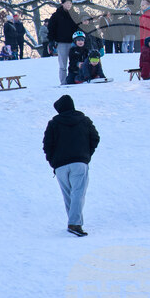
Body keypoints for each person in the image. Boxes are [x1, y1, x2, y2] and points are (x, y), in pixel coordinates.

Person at [42, 95, 100, 237]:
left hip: (60, 166)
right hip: (79, 163)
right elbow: (95, 138)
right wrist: (86, 155)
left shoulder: (53, 123)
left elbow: (47, 145)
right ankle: (74, 224)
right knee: (78, 194)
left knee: (68, 195)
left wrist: (53, 162)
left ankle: (73, 223)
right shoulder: (84, 120)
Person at [48, 0, 82, 84]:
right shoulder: (56, 15)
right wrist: (51, 41)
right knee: (63, 65)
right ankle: (63, 82)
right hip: (61, 43)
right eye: (67, 3)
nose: (68, 5)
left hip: (74, 43)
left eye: (70, 3)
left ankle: (75, 80)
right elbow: (51, 29)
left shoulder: (75, 15)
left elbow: (79, 27)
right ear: (62, 4)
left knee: (75, 63)